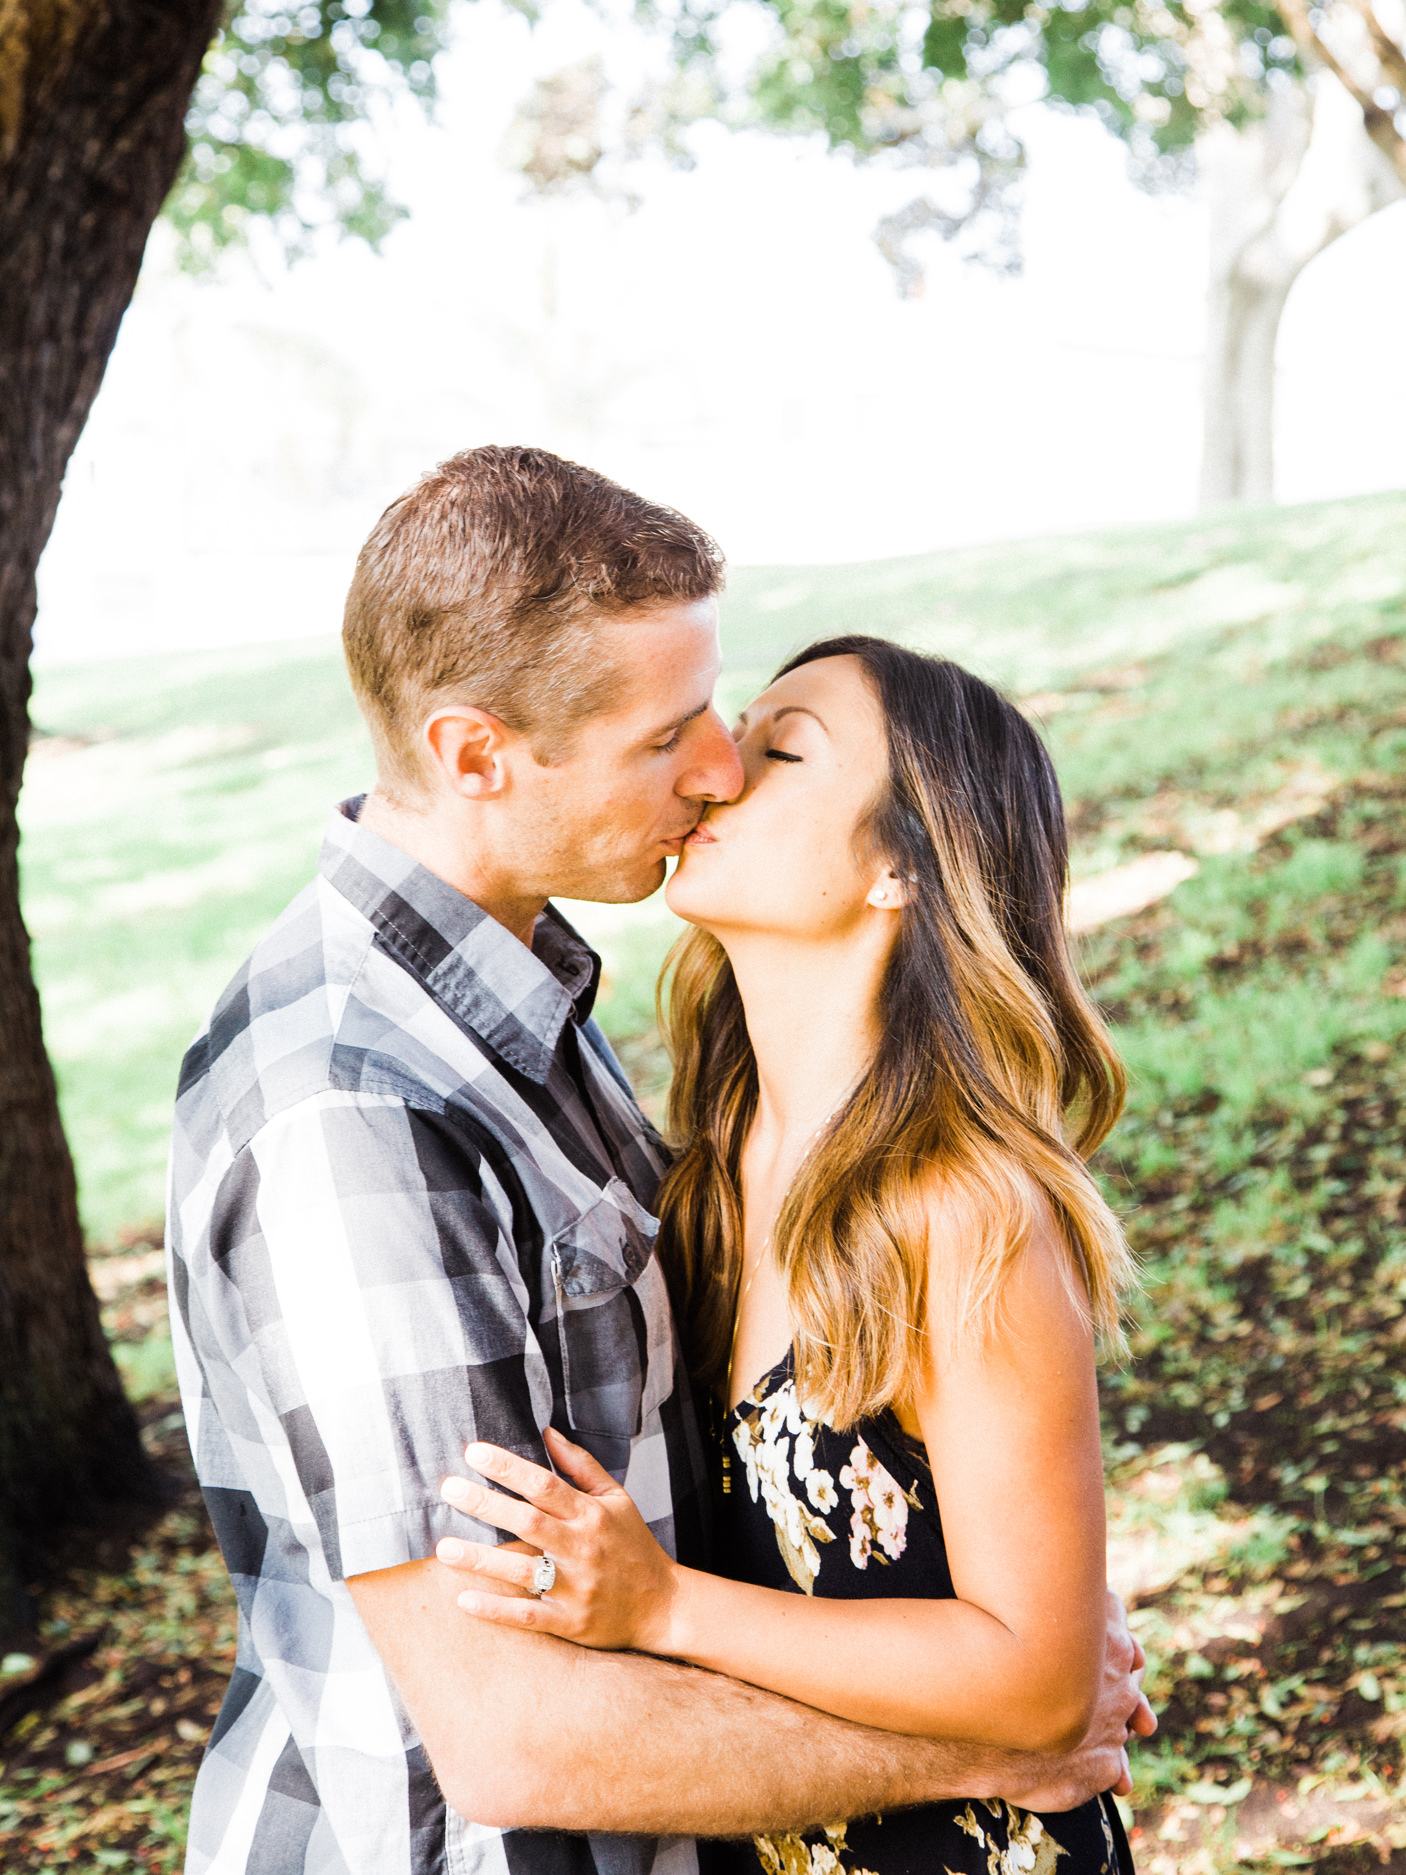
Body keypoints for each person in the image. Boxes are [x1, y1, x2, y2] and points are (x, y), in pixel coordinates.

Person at [167, 448, 1153, 1875]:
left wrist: (1017, 1641)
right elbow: (515, 1739)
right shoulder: (353, 1111)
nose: (717, 768)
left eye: (747, 730)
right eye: (675, 730)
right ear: (473, 752)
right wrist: (996, 1732)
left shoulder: (537, 1021)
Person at [432, 635, 1144, 1874]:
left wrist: (663, 1607)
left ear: (898, 869)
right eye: (723, 735)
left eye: (781, 750)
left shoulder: (961, 1211)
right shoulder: (705, 1165)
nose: (711, 773)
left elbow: (1038, 1685)